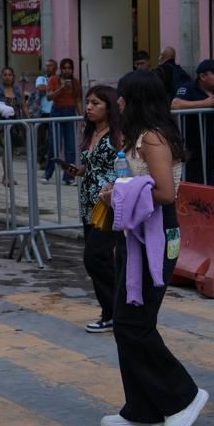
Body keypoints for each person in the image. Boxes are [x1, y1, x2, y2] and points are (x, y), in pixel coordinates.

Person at [98, 70, 207, 426]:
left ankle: (183, 396)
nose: (120, 103)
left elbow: (164, 192)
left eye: (123, 96)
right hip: (135, 235)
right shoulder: (138, 136)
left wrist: (119, 193)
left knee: (135, 324)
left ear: (137, 99)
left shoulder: (154, 138)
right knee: (126, 321)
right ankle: (142, 409)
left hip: (157, 232)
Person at [68, 85, 122, 334]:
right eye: (88, 102)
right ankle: (113, 311)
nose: (89, 107)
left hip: (109, 204)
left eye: (96, 103)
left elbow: (125, 166)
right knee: (98, 259)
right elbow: (93, 166)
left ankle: (115, 311)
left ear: (109, 106)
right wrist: (79, 170)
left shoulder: (118, 135)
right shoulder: (92, 132)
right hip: (88, 203)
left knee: (95, 256)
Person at [45, 58, 82, 185]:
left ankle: (69, 177)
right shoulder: (54, 80)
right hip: (57, 112)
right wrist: (61, 88)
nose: (67, 70)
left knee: (70, 148)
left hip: (70, 112)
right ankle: (48, 174)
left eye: (69, 68)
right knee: (53, 145)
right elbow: (49, 97)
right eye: (65, 68)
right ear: (61, 69)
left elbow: (77, 101)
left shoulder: (76, 83)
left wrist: (82, 117)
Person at [0, 67, 25, 188]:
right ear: (1, 77)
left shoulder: (18, 90)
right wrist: (2, 109)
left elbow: (23, 106)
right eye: (5, 75)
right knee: (6, 149)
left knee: (12, 149)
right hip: (1, 124)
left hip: (15, 123)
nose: (7, 77)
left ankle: (8, 174)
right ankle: (6, 176)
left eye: (10, 75)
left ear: (13, 77)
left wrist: (29, 121)